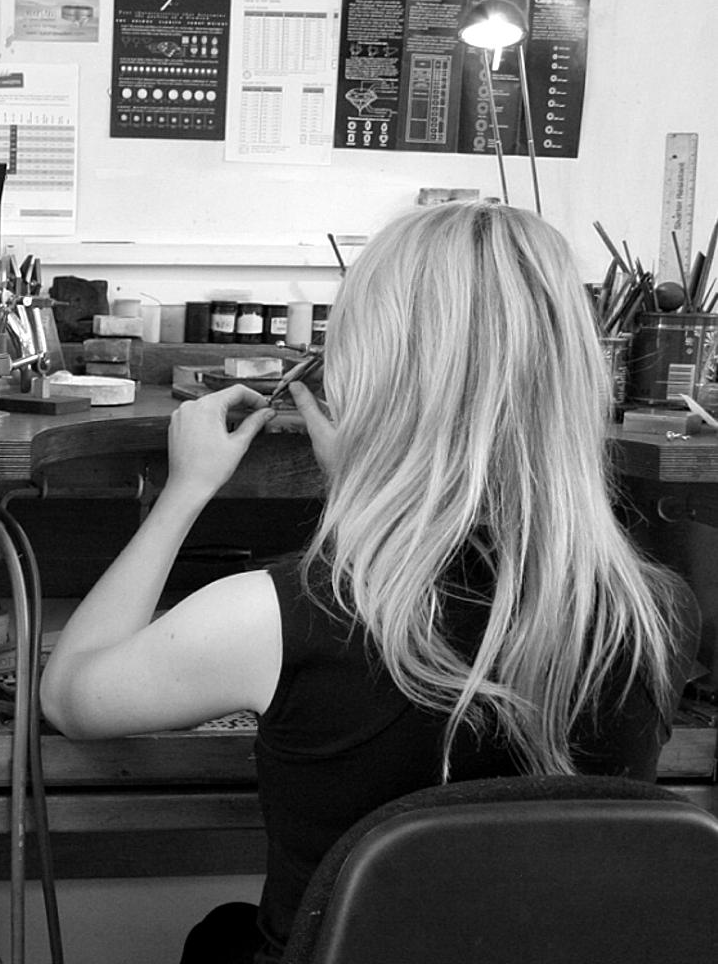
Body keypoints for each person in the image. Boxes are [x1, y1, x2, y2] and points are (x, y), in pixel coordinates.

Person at [38, 200, 697, 963]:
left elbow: (69, 698)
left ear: (369, 387)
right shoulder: (655, 616)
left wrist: (185, 491)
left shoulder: (277, 618)